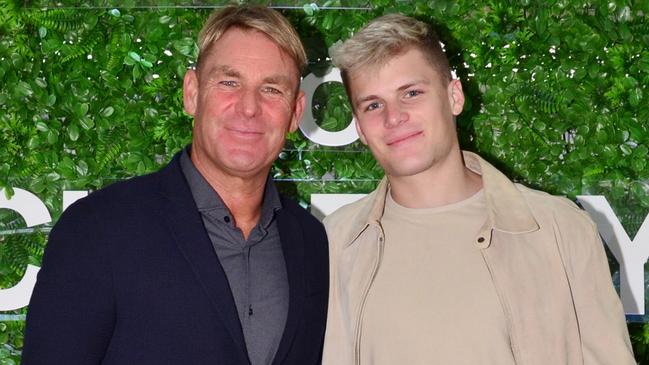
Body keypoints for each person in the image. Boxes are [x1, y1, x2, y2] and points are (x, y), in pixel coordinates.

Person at [21, 6, 328, 365]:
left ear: (295, 111)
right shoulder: (98, 230)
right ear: (192, 92)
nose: (249, 107)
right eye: (229, 82)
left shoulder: (310, 242)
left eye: (272, 89)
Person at [322, 13, 634, 365]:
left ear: (454, 96)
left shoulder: (559, 229)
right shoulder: (335, 243)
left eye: (411, 93)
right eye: (373, 104)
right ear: (360, 128)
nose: (394, 117)